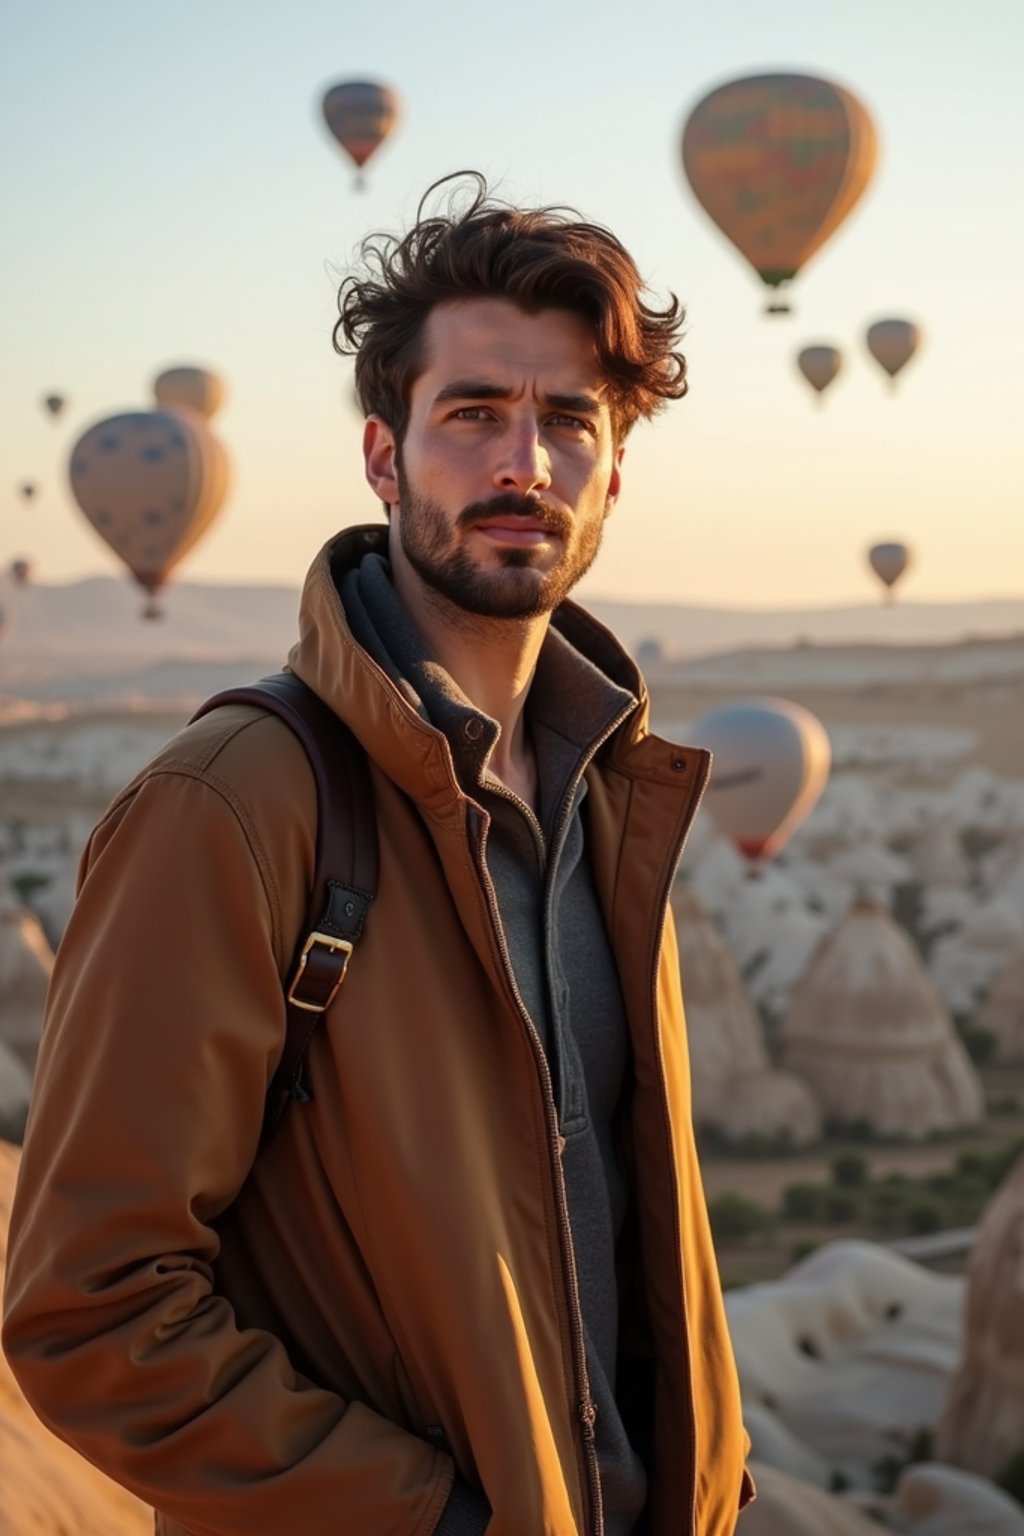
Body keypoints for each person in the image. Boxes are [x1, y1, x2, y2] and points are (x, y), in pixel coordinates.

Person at [3, 173, 752, 1535]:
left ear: (615, 470)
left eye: (567, 422)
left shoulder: (609, 803)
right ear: (382, 455)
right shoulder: (236, 804)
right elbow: (90, 1309)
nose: (522, 462)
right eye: (471, 414)